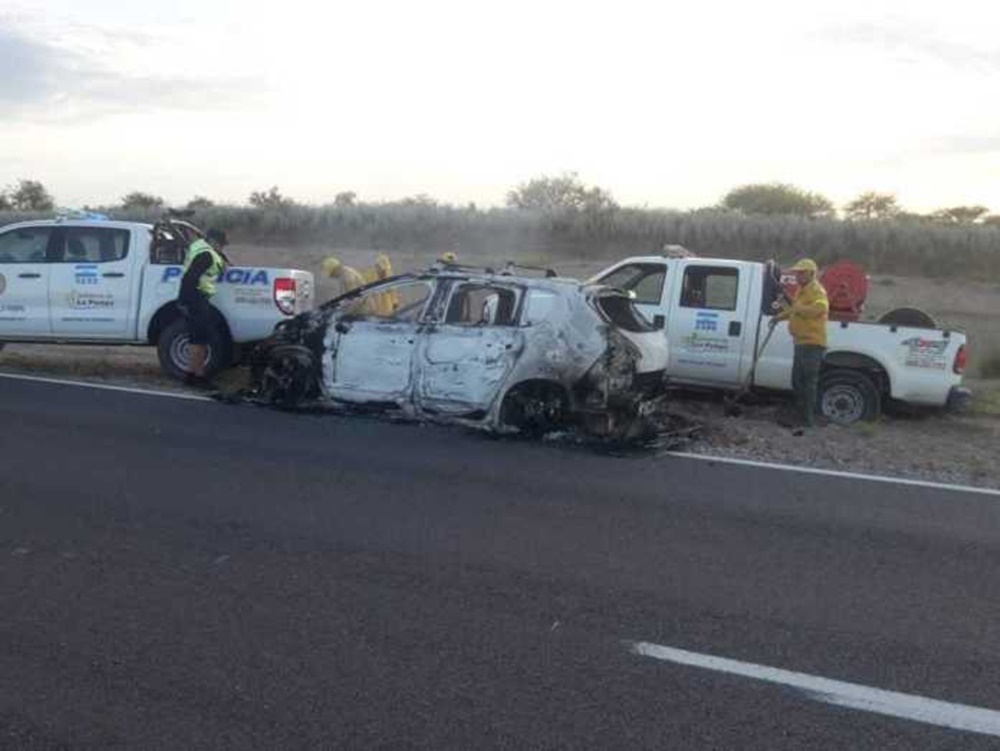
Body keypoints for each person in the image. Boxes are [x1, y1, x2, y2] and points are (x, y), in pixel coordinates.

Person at [771, 258, 829, 428]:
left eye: (801, 273)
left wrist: (799, 309)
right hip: (801, 342)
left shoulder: (817, 291)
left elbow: (821, 308)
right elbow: (793, 310)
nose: (798, 276)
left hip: (812, 343)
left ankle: (807, 419)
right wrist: (779, 317)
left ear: (811, 274)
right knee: (797, 381)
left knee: (807, 383)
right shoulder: (801, 291)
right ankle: (800, 414)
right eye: (797, 273)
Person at [178, 228, 229, 386]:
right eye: (220, 244)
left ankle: (191, 375)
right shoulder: (206, 254)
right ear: (212, 241)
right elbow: (189, 278)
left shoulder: (200, 248)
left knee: (198, 338)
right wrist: (183, 301)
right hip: (197, 297)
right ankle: (198, 377)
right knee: (199, 339)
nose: (222, 247)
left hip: (196, 297)